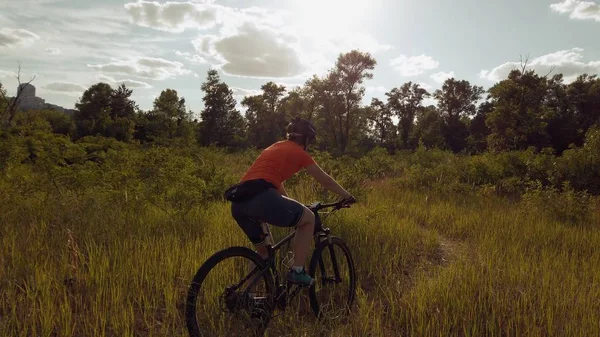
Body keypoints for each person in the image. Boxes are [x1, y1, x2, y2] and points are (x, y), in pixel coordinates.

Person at [227, 117, 354, 287]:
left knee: (263, 255)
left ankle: (246, 295)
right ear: (308, 139)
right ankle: (297, 271)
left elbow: (274, 183)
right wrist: (347, 196)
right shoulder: (300, 153)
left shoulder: (274, 147)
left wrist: (295, 206)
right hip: (263, 198)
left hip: (239, 203)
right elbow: (326, 180)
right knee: (308, 218)